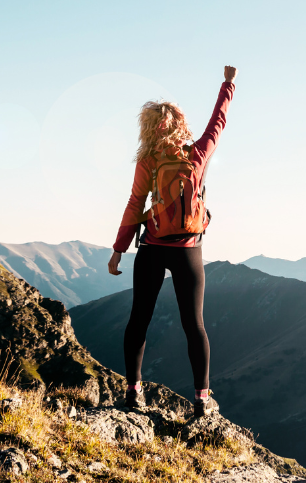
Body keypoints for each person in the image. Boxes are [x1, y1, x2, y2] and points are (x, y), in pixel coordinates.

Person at [108, 65, 237, 417]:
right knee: (194, 324)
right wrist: (227, 84)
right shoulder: (197, 154)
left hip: (151, 248)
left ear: (147, 128)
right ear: (180, 124)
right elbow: (218, 124)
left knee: (139, 319)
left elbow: (135, 205)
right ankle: (201, 398)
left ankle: (133, 391)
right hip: (188, 250)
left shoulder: (148, 161)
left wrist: (119, 250)